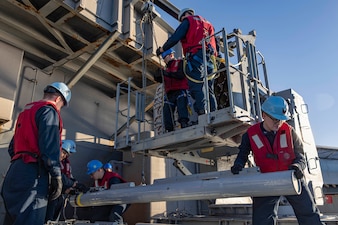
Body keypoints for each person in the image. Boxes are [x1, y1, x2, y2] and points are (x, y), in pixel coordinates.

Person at [230, 96, 324, 225]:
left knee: (309, 214)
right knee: (262, 220)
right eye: (275, 119)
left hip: (291, 177)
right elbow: (243, 153)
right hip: (266, 180)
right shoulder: (251, 134)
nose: (278, 123)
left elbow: (300, 156)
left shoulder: (290, 132)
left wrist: (298, 166)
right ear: (264, 115)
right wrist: (239, 164)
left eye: (281, 119)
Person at [1, 82, 71, 225]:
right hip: (34, 176)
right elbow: (49, 147)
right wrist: (56, 176)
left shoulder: (26, 113)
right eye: (62, 105)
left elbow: (12, 148)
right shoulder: (49, 112)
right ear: (58, 99)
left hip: (14, 173)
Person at [156, 8, 218, 116]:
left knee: (196, 86)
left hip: (196, 57)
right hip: (211, 60)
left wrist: (162, 49)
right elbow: (215, 43)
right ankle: (214, 112)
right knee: (209, 88)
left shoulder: (188, 21)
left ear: (184, 16)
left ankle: (203, 113)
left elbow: (175, 37)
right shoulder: (208, 24)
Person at [45, 140, 88, 222]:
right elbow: (59, 176)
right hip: (51, 194)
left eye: (67, 154)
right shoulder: (53, 162)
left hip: (59, 194)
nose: (64, 156)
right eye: (64, 152)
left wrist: (73, 185)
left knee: (54, 219)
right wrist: (74, 185)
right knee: (48, 219)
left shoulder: (65, 164)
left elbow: (68, 177)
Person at [155, 48, 190, 132]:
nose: (164, 60)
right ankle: (169, 128)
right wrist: (157, 74)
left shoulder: (180, 63)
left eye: (165, 57)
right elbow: (160, 79)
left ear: (171, 55)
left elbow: (180, 75)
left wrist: (167, 73)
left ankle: (184, 123)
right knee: (167, 110)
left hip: (180, 89)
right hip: (169, 93)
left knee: (181, 107)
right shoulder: (166, 69)